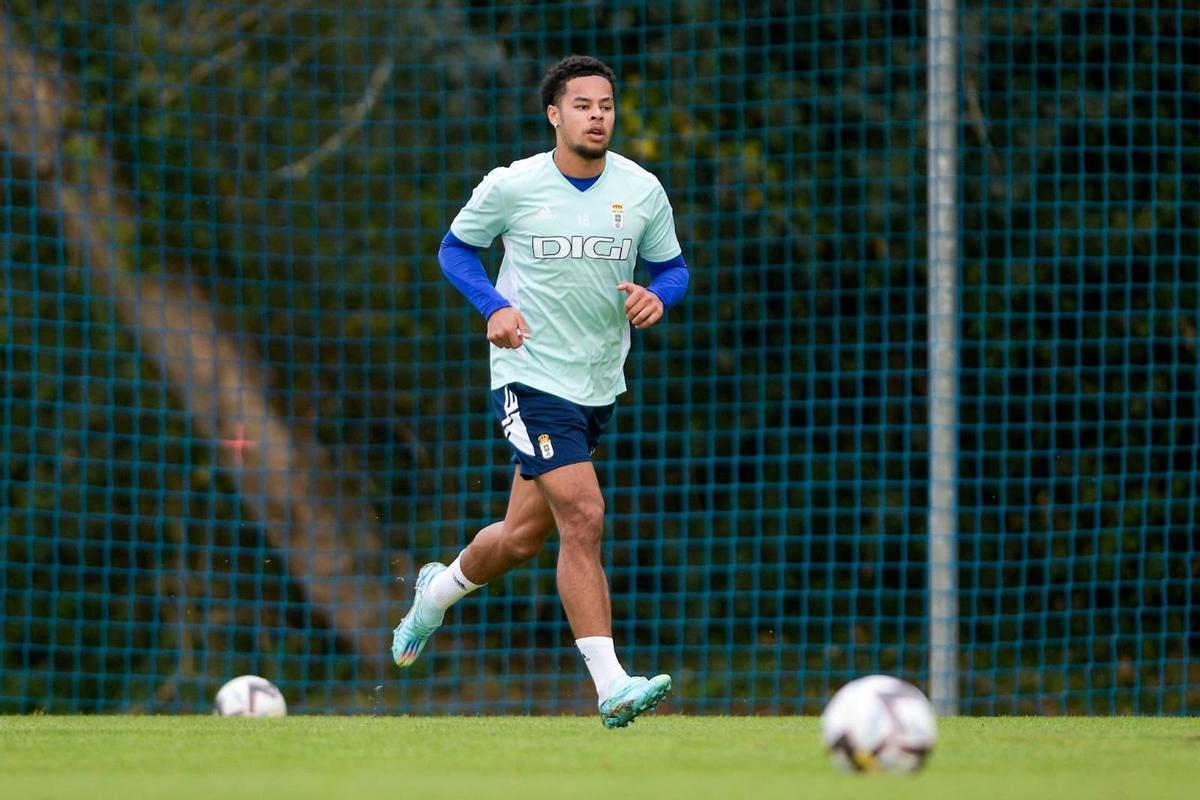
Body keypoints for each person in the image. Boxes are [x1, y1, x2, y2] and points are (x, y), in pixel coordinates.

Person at [391, 55, 690, 729]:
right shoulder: (513, 184)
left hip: (597, 383)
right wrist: (493, 307)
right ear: (554, 115)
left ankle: (434, 595)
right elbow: (455, 249)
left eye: (605, 105)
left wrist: (658, 297)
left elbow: (672, 268)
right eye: (582, 105)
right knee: (582, 516)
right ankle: (611, 685)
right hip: (529, 378)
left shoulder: (641, 190)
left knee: (522, 537)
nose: (596, 116)